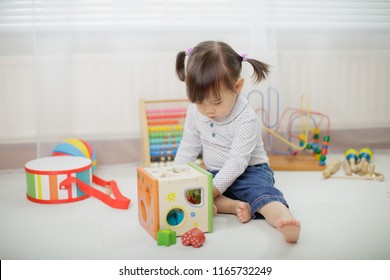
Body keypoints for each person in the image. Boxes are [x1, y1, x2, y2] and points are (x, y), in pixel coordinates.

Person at [174, 41, 300, 243]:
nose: (208, 110)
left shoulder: (246, 118)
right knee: (194, 188)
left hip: (249, 171)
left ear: (237, 87)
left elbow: (237, 163)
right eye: (199, 102)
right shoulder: (194, 113)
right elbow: (188, 146)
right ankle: (234, 206)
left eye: (216, 102)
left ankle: (284, 219)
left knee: (262, 195)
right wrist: (176, 176)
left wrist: (211, 190)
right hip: (214, 172)